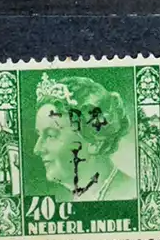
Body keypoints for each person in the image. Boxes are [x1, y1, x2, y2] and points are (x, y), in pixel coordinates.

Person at [31, 74, 137, 211]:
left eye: (51, 135)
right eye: (39, 135)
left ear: (95, 141)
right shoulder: (79, 197)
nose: (37, 149)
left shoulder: (130, 194)